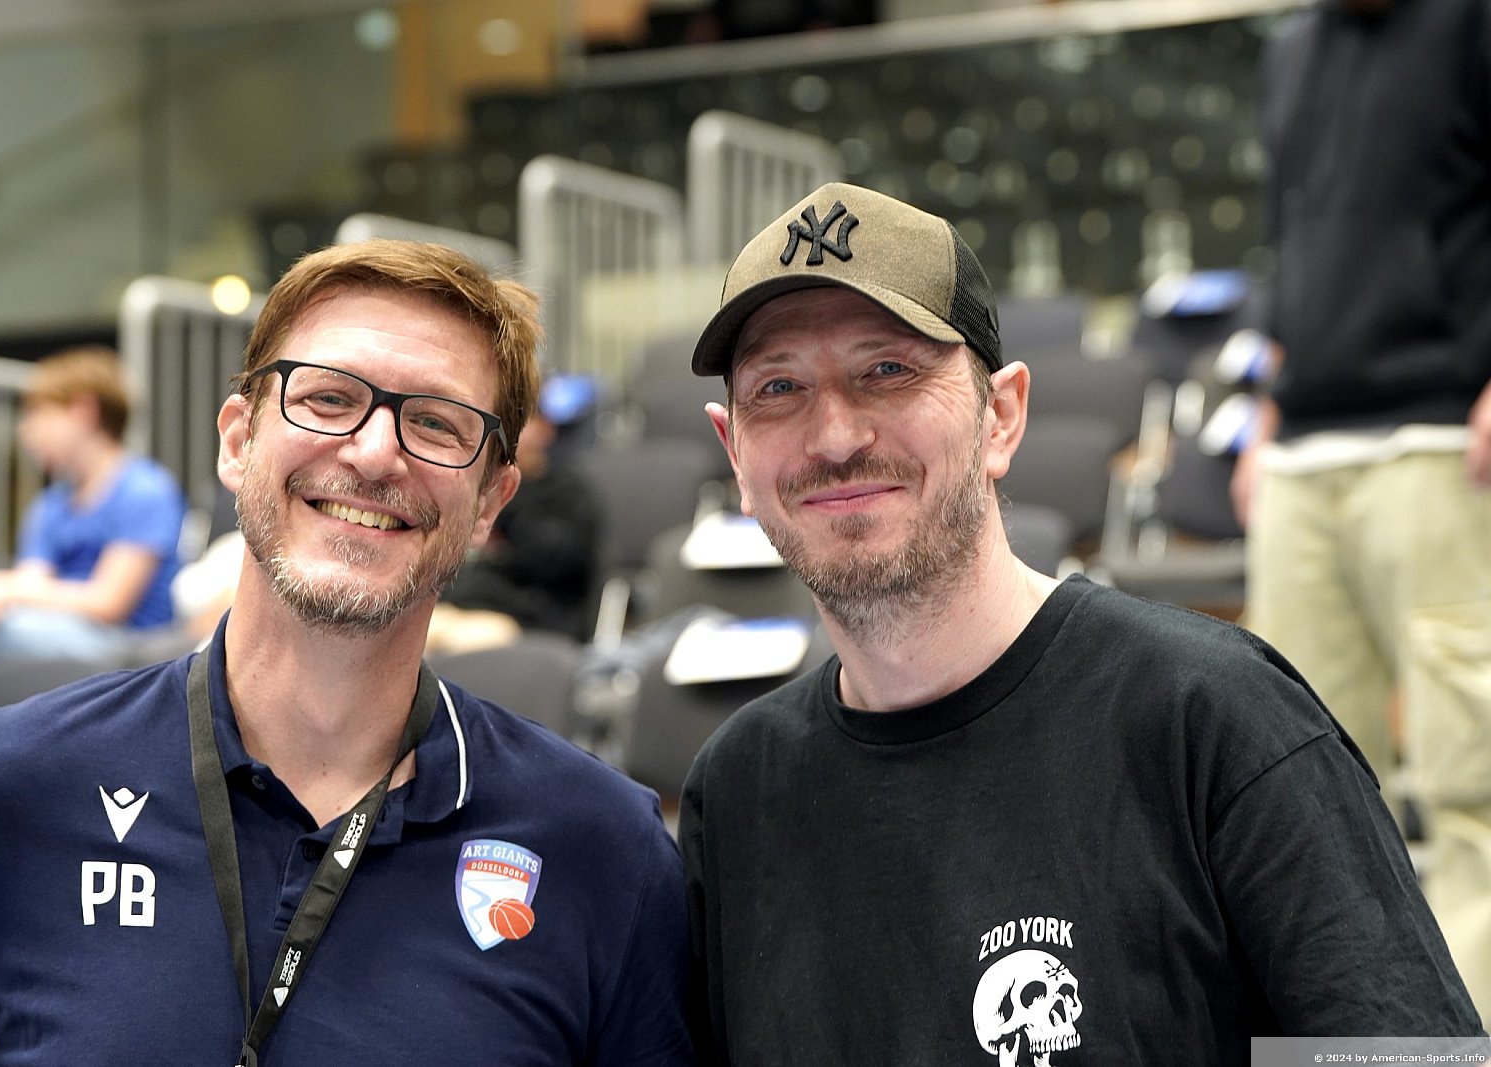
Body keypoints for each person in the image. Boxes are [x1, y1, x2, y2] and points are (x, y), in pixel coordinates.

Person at [678, 182, 1485, 1065]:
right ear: (736, 457)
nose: (835, 436)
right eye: (779, 387)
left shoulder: (1211, 717)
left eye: (888, 371)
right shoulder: (741, 790)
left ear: (1002, 416)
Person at [0, 239, 693, 1064]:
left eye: (434, 422)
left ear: (491, 500)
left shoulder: (605, 852)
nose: (375, 452)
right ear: (237, 442)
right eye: (329, 397)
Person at [1234, 0, 1491, 1016]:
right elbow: (1284, 239)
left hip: (1441, 444)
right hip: (1302, 456)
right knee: (1297, 799)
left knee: (1475, 793)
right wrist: (1262, 415)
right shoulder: (1288, 51)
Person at [0, 346, 186, 791]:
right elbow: (31, 586)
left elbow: (109, 602)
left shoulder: (144, 488)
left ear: (82, 411)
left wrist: (2, 588)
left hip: (126, 642)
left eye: (37, 414)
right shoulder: (51, 505)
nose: (26, 431)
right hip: (55, 631)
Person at [444, 379, 601, 639]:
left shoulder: (570, 493)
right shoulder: (480, 483)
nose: (510, 434)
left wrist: (504, 506)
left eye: (521, 424)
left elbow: (553, 558)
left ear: (545, 429)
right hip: (476, 602)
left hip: (542, 619)